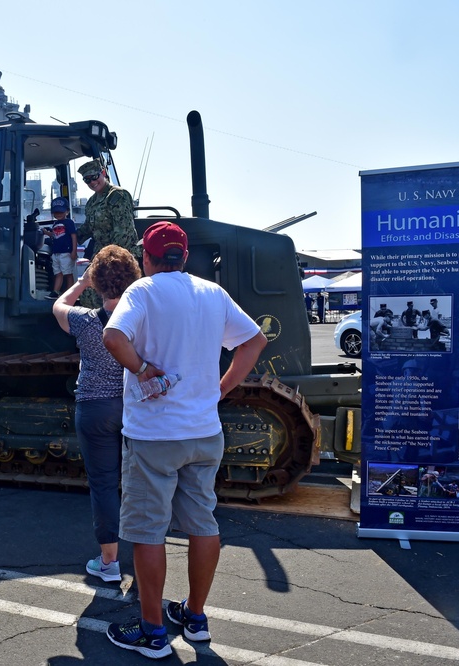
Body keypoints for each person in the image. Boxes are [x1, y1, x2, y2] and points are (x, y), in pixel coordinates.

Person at [102, 221, 267, 659]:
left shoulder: (142, 292)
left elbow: (113, 337)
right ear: (185, 255)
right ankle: (195, 618)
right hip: (204, 433)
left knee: (148, 531)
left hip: (154, 436)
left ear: (148, 259)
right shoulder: (212, 293)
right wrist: (222, 388)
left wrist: (141, 369)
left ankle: (153, 632)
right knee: (202, 524)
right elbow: (255, 341)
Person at [52, 245, 141, 583]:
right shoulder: (141, 320)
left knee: (104, 484)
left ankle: (109, 563)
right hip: (135, 408)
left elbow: (58, 306)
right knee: (139, 483)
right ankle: (144, 555)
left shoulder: (85, 322)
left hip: (95, 408)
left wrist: (82, 282)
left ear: (100, 283)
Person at [75, 159, 139, 307]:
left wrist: (110, 260)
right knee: (87, 292)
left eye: (94, 177)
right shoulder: (92, 202)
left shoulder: (117, 196)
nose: (92, 182)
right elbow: (89, 228)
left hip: (120, 255)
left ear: (103, 173)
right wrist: (68, 238)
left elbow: (123, 233)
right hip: (101, 253)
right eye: (87, 180)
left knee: (104, 294)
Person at [43, 196, 78, 299]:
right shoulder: (55, 224)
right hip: (56, 253)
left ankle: (70, 294)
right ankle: (55, 292)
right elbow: (55, 235)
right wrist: (46, 233)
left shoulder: (69, 223)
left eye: (61, 212)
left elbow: (73, 236)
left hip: (65, 252)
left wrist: (73, 251)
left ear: (67, 211)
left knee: (68, 273)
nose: (58, 214)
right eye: (56, 212)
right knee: (58, 273)